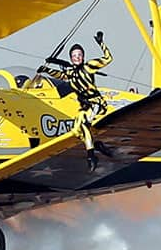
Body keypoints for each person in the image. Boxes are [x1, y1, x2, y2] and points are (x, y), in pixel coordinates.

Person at [37, 31, 113, 171]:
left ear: (83, 57)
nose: (77, 57)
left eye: (79, 55)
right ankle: (97, 145)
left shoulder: (89, 66)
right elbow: (60, 75)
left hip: (96, 103)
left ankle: (91, 156)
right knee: (77, 130)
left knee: (83, 123)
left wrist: (101, 42)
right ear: (71, 58)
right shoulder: (71, 73)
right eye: (74, 56)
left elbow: (108, 58)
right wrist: (46, 70)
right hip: (85, 106)